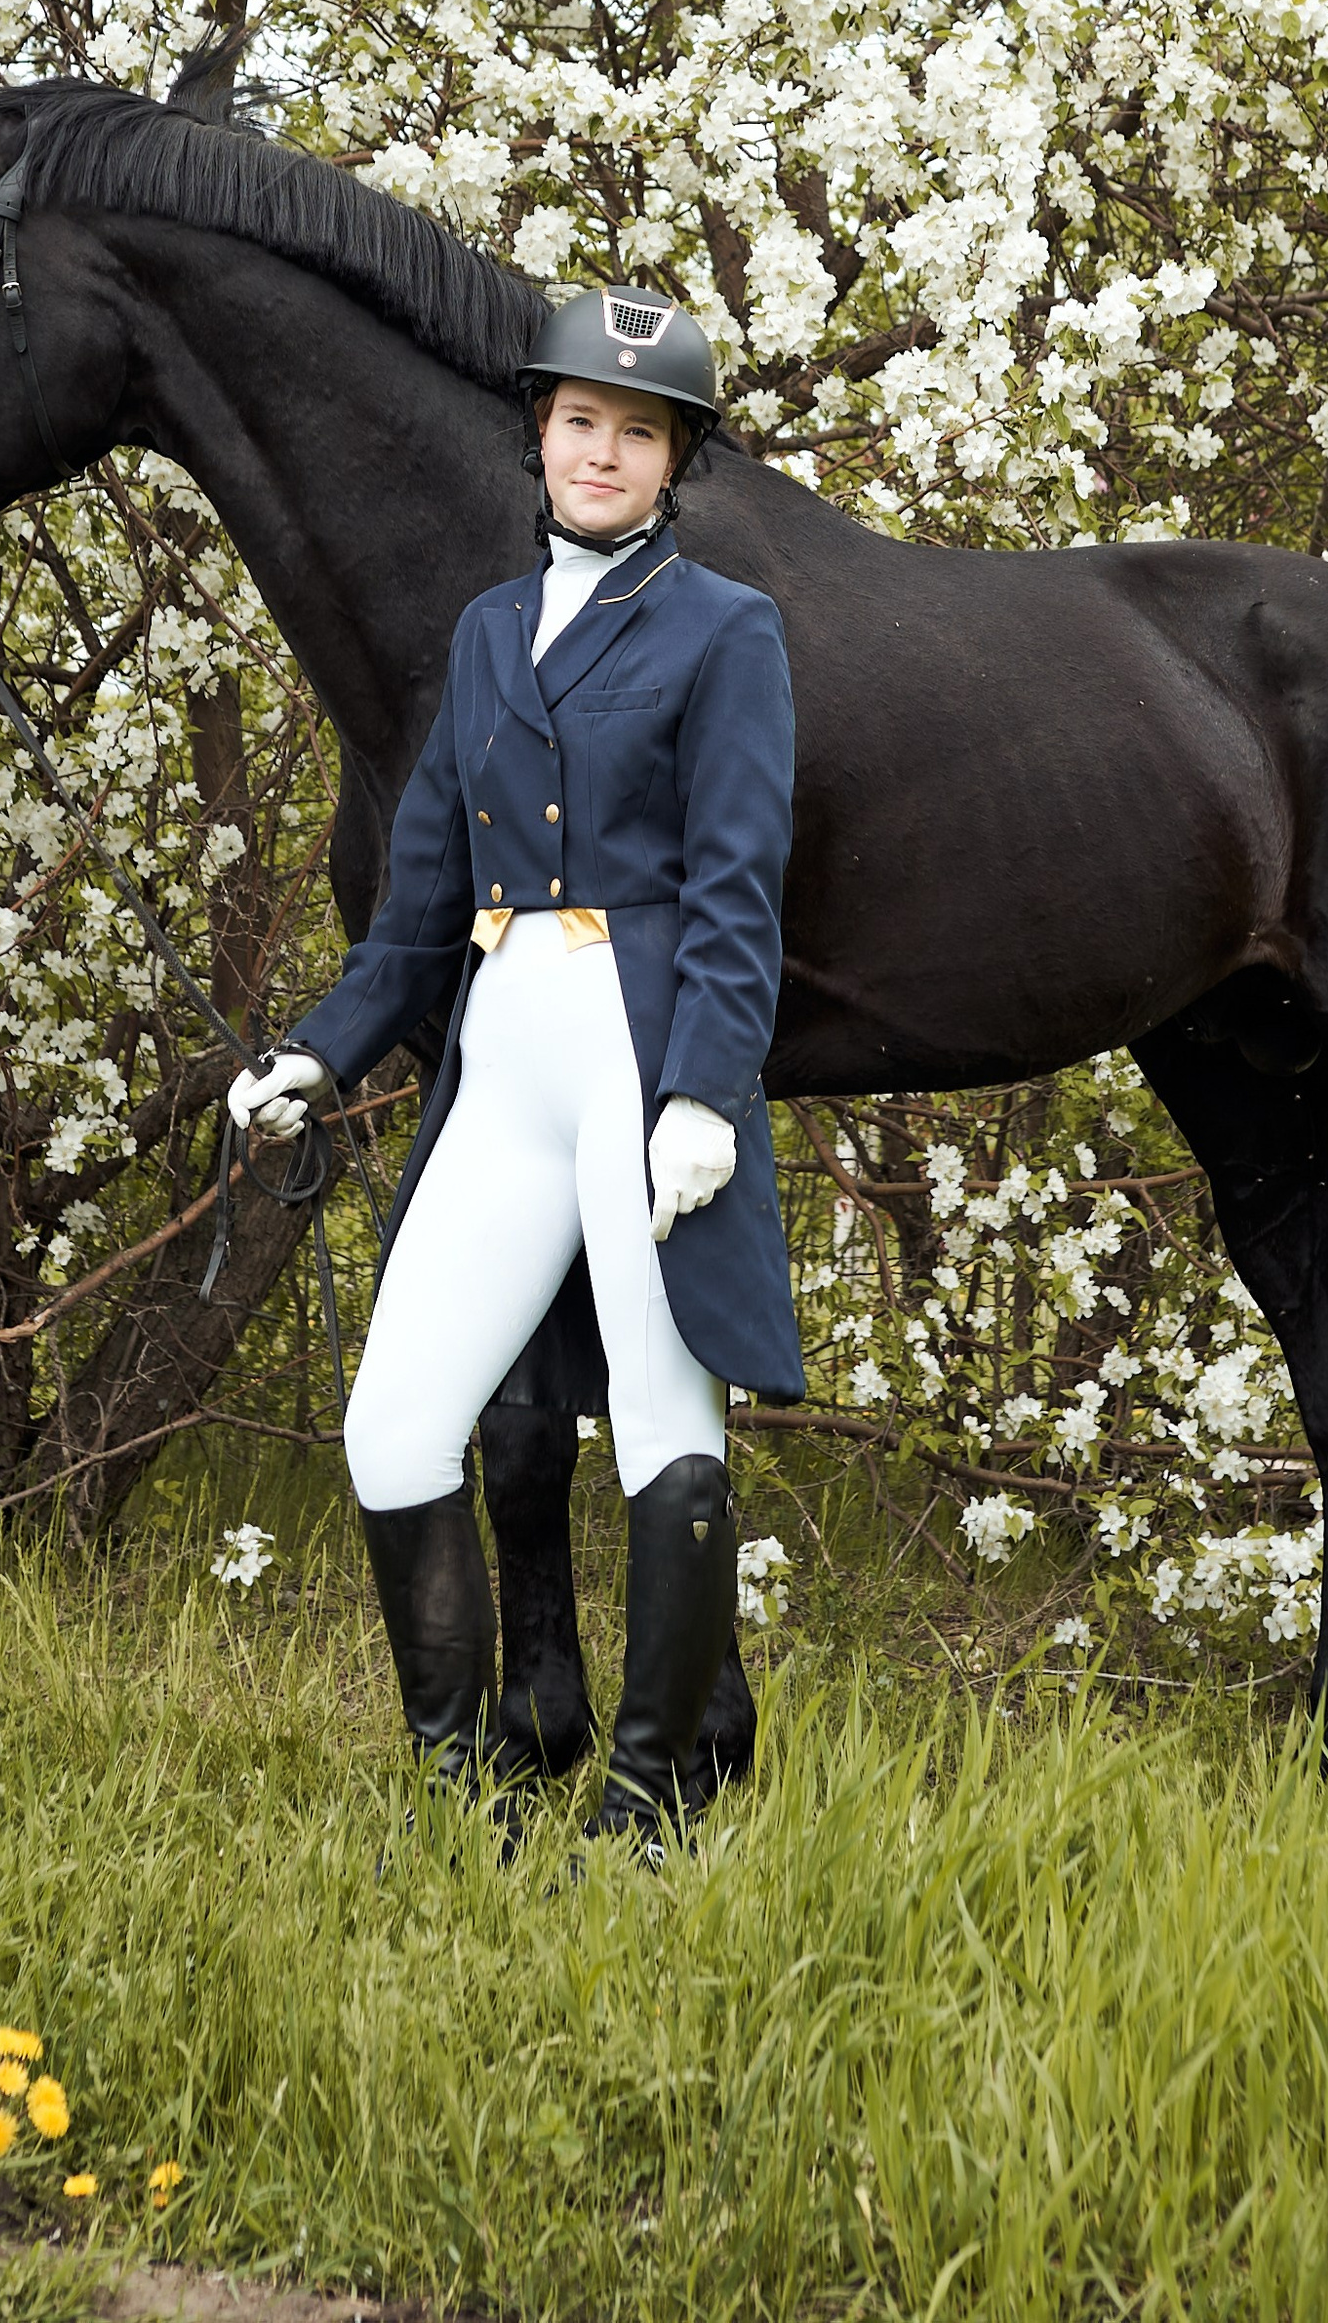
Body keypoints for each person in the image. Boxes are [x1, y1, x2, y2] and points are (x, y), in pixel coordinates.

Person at [230, 287, 804, 1849]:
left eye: (637, 433)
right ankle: (462, 1795)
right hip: (503, 1069)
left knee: (668, 1430)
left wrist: (703, 1091)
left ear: (674, 461)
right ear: (540, 436)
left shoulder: (725, 630)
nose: (601, 453)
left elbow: (739, 890)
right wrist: (317, 1052)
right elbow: (420, 907)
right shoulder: (489, 633)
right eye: (579, 423)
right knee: (396, 1427)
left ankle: (652, 1803)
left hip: (641, 1062)